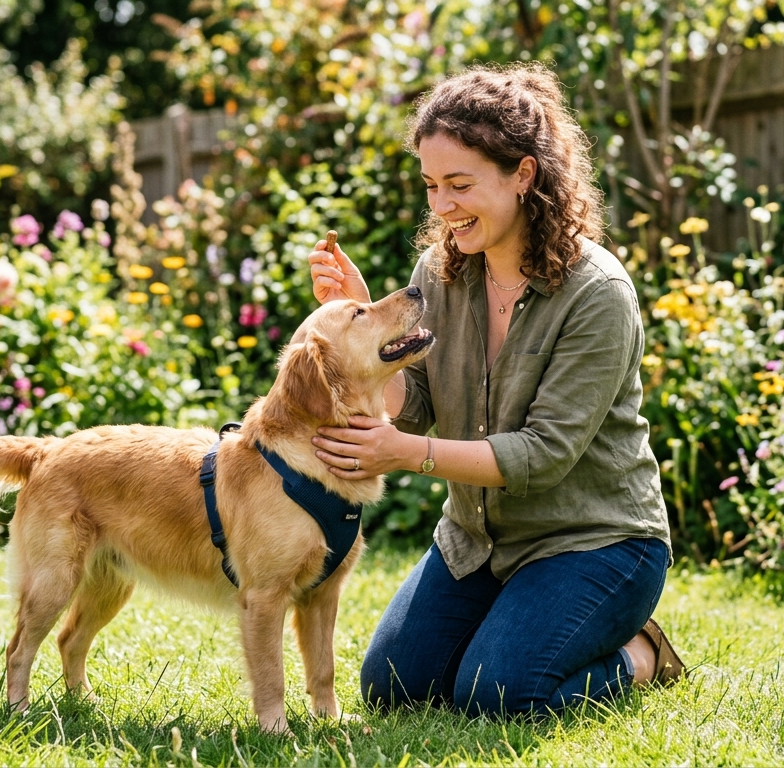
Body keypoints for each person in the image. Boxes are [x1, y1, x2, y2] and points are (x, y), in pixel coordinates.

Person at [305, 62, 683, 717]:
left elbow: (543, 454)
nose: (442, 206)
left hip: (595, 542)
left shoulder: (597, 294)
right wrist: (366, 336)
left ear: (523, 175)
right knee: (394, 689)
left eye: (460, 184)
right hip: (476, 540)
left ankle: (640, 654)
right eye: (431, 186)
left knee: (500, 694)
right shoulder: (439, 275)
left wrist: (405, 455)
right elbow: (411, 407)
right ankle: (515, 625)